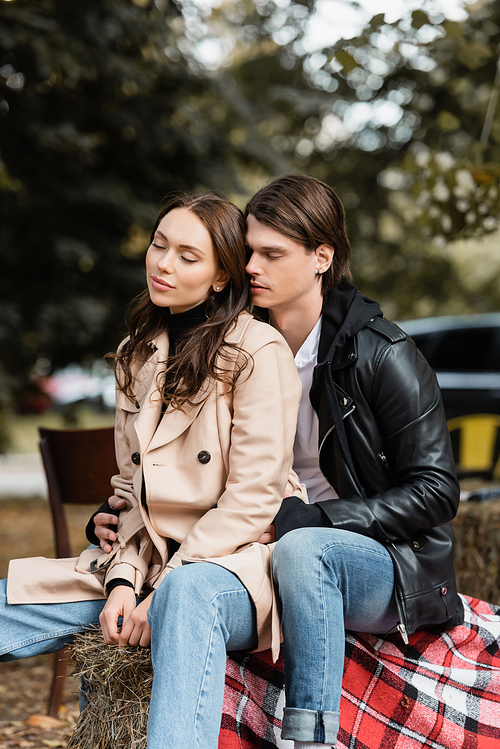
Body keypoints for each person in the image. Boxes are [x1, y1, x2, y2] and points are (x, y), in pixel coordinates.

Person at [0, 192, 304, 749]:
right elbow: (129, 492)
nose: (163, 263)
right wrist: (122, 581)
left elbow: (255, 498)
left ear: (220, 277)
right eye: (159, 245)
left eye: (188, 255)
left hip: (231, 567)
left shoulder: (260, 351)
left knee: (184, 598)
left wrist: (157, 589)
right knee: (9, 605)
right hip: (146, 561)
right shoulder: (138, 353)